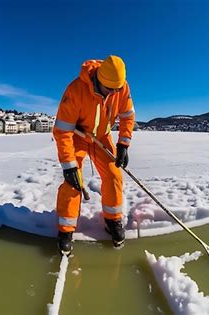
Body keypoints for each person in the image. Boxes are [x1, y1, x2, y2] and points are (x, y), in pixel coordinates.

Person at [52, 55, 135, 256]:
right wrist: (69, 165)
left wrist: (123, 143)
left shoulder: (121, 87)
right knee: (73, 181)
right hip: (77, 137)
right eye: (110, 90)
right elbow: (62, 130)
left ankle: (112, 220)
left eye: (117, 89)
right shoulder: (75, 90)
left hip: (102, 137)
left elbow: (127, 116)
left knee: (114, 174)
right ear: (99, 80)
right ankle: (66, 230)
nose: (115, 93)